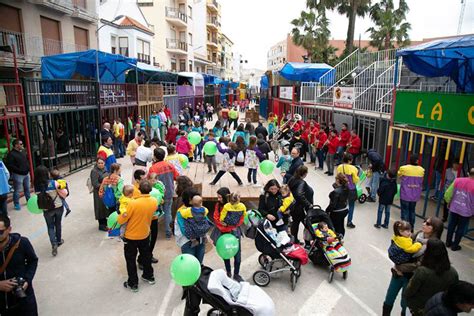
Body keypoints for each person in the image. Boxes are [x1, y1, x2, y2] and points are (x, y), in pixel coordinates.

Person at [383, 216, 444, 316]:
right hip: (398, 273)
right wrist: (397, 262)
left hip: (412, 277)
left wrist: (400, 267)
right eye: (424, 221)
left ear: (435, 229)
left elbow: (419, 265)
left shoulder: (434, 245)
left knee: (404, 303)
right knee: (389, 297)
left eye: (428, 224)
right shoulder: (417, 234)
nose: (424, 224)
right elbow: (400, 248)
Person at [118, 180, 158, 292]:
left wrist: (120, 215)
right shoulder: (154, 201)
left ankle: (133, 283)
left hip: (131, 236)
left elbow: (122, 219)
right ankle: (149, 276)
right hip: (145, 233)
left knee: (130, 259)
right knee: (146, 255)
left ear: (139, 189)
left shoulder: (133, 203)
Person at [404, 239, 459, 316]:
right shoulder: (453, 272)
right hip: (438, 309)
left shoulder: (422, 271)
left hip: (418, 308)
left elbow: (410, 291)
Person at [0, 214, 38, 315]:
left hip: (24, 299)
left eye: (0, 232)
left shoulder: (22, 243)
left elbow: (33, 261)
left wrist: (27, 280)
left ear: (9, 229)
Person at [34, 165, 68, 256]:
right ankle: (59, 240)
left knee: (50, 227)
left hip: (47, 209)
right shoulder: (53, 183)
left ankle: (53, 244)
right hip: (58, 206)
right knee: (58, 224)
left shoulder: (36, 187)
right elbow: (65, 193)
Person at [212, 187, 244, 281]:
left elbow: (241, 218)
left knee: (237, 255)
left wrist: (231, 225)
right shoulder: (218, 205)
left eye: (220, 197)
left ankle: (236, 274)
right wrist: (224, 226)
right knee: (226, 254)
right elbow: (216, 217)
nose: (218, 199)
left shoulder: (237, 206)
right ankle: (228, 272)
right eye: (217, 197)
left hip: (234, 232)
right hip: (223, 233)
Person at [148, 148, 179, 239]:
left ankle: (152, 233)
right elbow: (176, 177)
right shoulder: (170, 165)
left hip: (156, 195)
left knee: (154, 213)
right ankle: (168, 233)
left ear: (155, 157)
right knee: (168, 212)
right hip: (169, 192)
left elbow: (149, 181)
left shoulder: (153, 168)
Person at [444, 167, 474, 251]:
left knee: (451, 226)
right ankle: (455, 246)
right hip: (466, 211)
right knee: (460, 228)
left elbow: (447, 193)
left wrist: (448, 202)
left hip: (454, 207)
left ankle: (448, 242)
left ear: (468, 173)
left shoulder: (457, 180)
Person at [288, 166, 313, 244]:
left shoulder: (292, 179)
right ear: (305, 173)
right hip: (298, 207)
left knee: (295, 223)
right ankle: (308, 242)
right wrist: (308, 204)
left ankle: (294, 240)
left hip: (293, 206)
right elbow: (299, 194)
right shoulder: (301, 182)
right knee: (307, 224)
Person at [398, 154, 425, 228]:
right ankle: (411, 227)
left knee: (404, 211)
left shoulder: (404, 168)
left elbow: (399, 175)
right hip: (415, 195)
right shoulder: (421, 170)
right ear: (417, 161)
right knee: (412, 211)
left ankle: (404, 227)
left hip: (405, 194)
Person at [5, 139, 31, 211]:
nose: (22, 145)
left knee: (27, 188)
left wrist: (27, 168)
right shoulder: (11, 154)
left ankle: (28, 201)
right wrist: (19, 171)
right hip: (18, 175)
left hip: (26, 174)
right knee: (17, 190)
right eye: (21, 144)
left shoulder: (22, 152)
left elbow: (26, 161)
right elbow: (10, 165)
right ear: (16, 145)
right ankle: (16, 204)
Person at [336, 153, 359, 228]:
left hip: (341, 188)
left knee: (341, 205)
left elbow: (337, 177)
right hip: (351, 188)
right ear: (349, 160)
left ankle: (339, 220)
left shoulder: (339, 167)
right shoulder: (353, 168)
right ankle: (349, 222)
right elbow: (355, 180)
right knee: (351, 205)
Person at [90, 158, 109, 231]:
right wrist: (104, 185)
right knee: (100, 208)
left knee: (105, 207)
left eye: (102, 163)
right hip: (98, 192)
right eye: (99, 163)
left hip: (106, 191)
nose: (101, 164)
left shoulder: (105, 168)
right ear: (96, 163)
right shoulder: (94, 171)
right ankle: (101, 224)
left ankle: (105, 222)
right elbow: (95, 184)